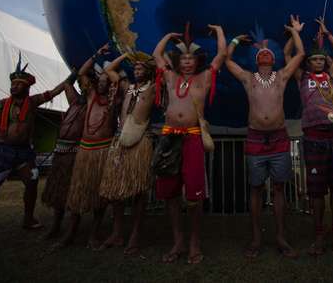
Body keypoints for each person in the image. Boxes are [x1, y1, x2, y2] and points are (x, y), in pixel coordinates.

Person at [225, 16, 305, 259]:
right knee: (256, 189)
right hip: (256, 139)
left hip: (279, 138)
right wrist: (236, 40)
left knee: (279, 189)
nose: (265, 55)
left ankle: (281, 236)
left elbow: (300, 54)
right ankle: (256, 238)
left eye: (269, 53)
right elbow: (227, 60)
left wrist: (294, 32)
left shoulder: (281, 77)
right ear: (256, 59)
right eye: (261, 54)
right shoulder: (249, 79)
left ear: (274, 58)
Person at [152, 23, 226, 265]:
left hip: (193, 136)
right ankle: (178, 241)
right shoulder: (170, 78)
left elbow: (221, 56)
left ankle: (194, 243)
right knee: (170, 194)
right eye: (182, 58)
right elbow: (156, 55)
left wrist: (219, 33)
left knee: (194, 196)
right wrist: (167, 36)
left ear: (196, 62)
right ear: (177, 62)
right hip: (169, 138)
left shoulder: (204, 78)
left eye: (190, 58)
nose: (186, 62)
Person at [0, 54, 68, 240]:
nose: (13, 87)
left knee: (32, 183)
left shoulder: (32, 102)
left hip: (25, 152)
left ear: (26, 87)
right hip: (2, 151)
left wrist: (72, 77)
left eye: (18, 84)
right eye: (13, 84)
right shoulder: (0, 105)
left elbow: (55, 91)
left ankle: (28, 218)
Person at [284, 18, 333, 255]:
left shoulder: (331, 76)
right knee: (316, 191)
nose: (319, 62)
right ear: (309, 63)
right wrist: (295, 33)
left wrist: (327, 31)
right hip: (313, 137)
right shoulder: (302, 77)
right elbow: (287, 53)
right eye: (314, 59)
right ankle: (319, 235)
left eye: (322, 59)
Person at [98, 50, 156, 256]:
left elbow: (164, 71)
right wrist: (126, 55)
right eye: (136, 68)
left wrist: (150, 59)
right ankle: (117, 233)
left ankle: (135, 236)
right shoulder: (127, 87)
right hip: (121, 139)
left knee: (138, 191)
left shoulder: (154, 88)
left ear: (149, 72)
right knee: (116, 190)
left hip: (141, 140)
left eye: (142, 68)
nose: (138, 70)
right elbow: (109, 69)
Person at [59, 45, 117, 248]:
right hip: (85, 150)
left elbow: (120, 81)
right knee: (77, 193)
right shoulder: (91, 96)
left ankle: (94, 234)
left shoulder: (113, 101)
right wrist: (97, 55)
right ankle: (70, 233)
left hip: (102, 151)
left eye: (105, 81)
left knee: (99, 196)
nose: (102, 84)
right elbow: (82, 73)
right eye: (99, 81)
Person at [40, 69, 87, 240]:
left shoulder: (93, 103)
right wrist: (76, 72)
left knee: (74, 190)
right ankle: (56, 225)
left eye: (87, 84)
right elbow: (67, 84)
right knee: (58, 190)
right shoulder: (75, 102)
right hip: (61, 152)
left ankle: (71, 231)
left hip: (76, 152)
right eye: (81, 84)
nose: (83, 87)